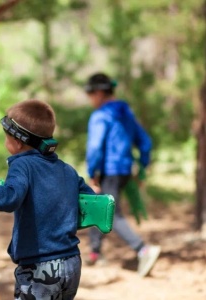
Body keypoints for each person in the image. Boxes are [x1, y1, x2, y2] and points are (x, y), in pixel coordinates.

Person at [0, 99, 95, 300]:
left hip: (40, 268)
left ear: (17, 141)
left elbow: (10, 198)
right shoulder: (67, 169)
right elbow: (91, 203)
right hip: (72, 263)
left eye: (5, 137)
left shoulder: (22, 165)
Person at [84, 72, 161, 277]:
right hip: (125, 170)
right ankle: (95, 252)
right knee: (97, 205)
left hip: (109, 171)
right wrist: (142, 165)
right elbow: (145, 142)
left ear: (99, 92)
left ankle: (143, 250)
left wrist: (93, 172)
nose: (89, 98)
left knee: (109, 213)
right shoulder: (126, 112)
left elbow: (95, 148)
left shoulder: (100, 116)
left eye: (90, 93)